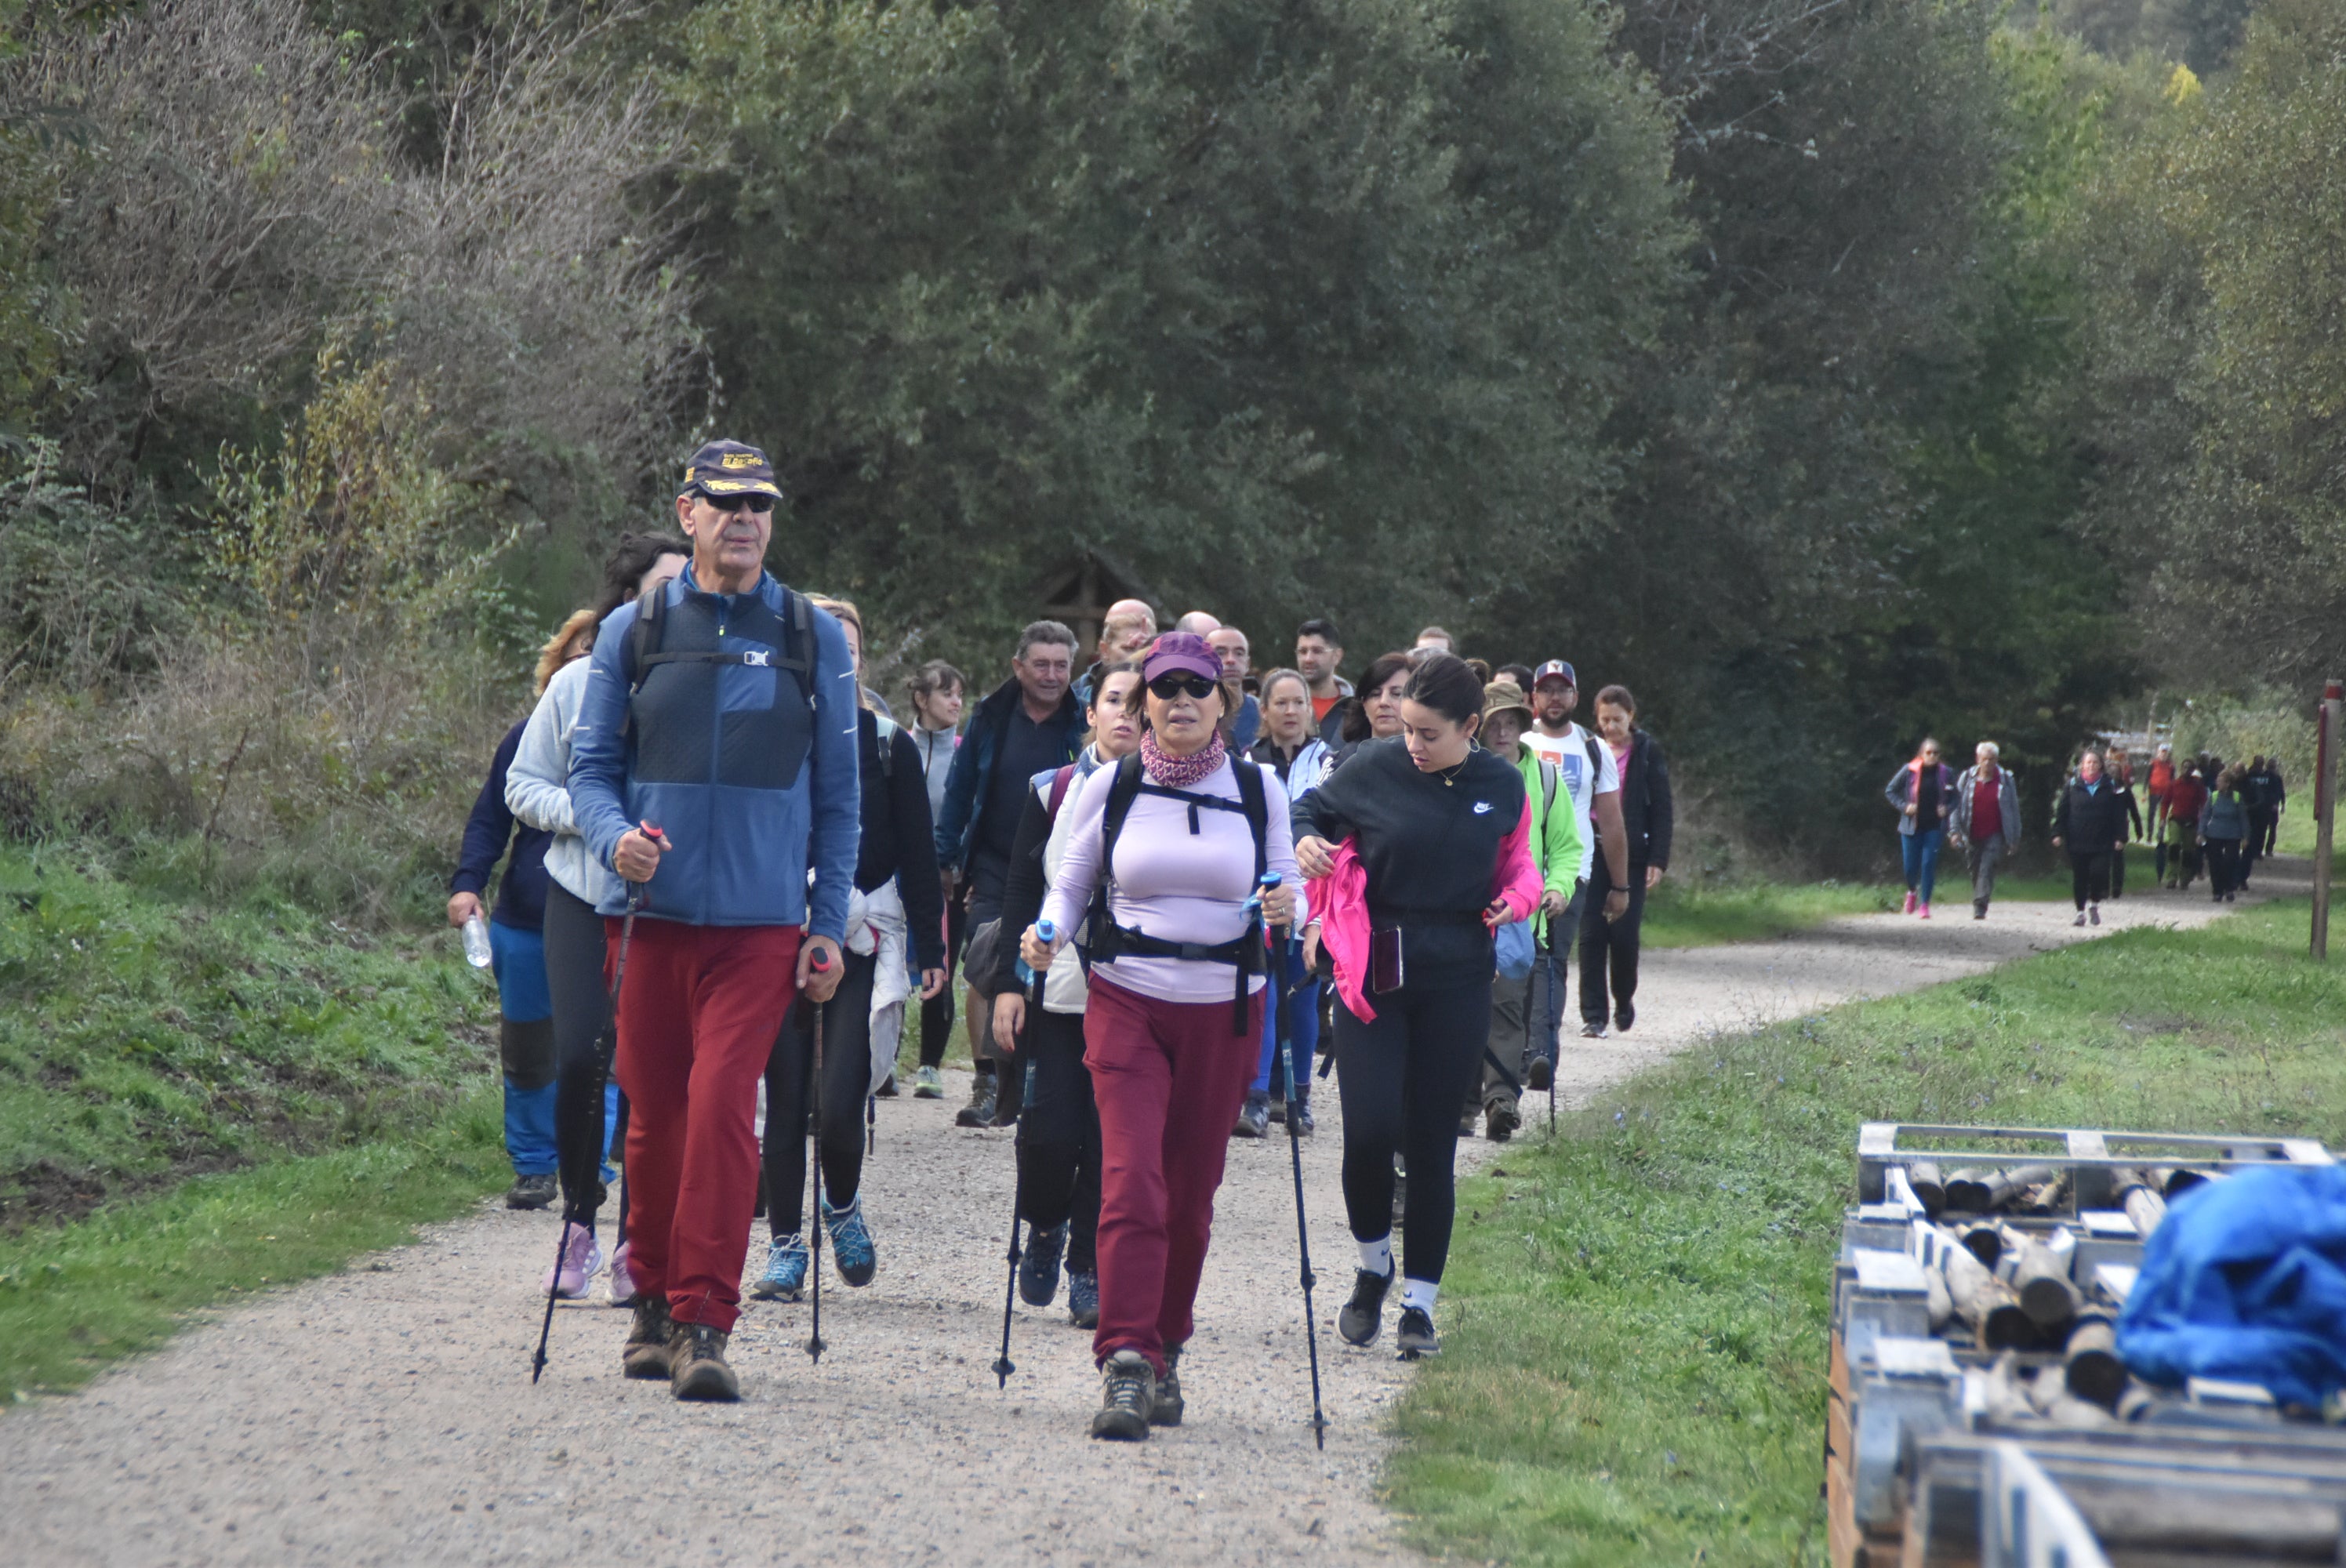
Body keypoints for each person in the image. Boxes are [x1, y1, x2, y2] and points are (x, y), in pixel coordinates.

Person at [568, 439, 859, 1403]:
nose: (744, 518)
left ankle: (704, 1320)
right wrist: (614, 839)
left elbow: (840, 799)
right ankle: (648, 1299)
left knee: (726, 1109)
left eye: (759, 504)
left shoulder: (813, 636)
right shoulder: (635, 628)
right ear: (686, 510)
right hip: (648, 915)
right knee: (655, 1119)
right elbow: (591, 769)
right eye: (724, 502)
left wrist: (825, 923)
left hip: (761, 924)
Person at [1022, 633, 1299, 1441]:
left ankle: (1168, 1343)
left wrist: (1289, 909)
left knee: (1189, 1192)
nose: (1180, 699)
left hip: (1226, 1007)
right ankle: (1127, 1359)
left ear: (1224, 702)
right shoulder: (1112, 783)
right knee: (1130, 1178)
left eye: (1197, 687)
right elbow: (1071, 881)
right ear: (1143, 698)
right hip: (1127, 999)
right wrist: (1047, 930)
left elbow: (1286, 883)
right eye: (1164, 686)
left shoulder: (1260, 788)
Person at [1292, 652, 1542, 1361]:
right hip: (1375, 965)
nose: (1414, 745)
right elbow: (1309, 808)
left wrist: (1520, 897)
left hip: (1459, 970)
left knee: (1432, 1142)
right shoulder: (1372, 765)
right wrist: (1308, 841)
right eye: (1406, 728)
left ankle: (1421, 1307)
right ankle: (1373, 1268)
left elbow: (1519, 861)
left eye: (1430, 734)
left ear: (1471, 727)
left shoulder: (1501, 784)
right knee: (1370, 1130)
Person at [506, 531, 692, 1301]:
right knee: (583, 1057)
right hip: (581, 896)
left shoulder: (704, 688)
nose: (682, 598)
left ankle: (637, 1243)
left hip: (674, 907)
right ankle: (580, 1218)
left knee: (651, 1075)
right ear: (626, 597)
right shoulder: (577, 684)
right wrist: (597, 820)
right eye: (665, 584)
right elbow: (523, 786)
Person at [754, 599, 948, 1302]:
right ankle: (782, 1246)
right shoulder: (769, 734)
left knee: (838, 1104)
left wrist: (931, 944)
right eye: (824, 644)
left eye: (852, 646)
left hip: (860, 937)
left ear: (862, 659)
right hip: (775, 931)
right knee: (783, 1099)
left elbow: (919, 855)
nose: (840, 656)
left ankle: (839, 1205)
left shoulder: (888, 743)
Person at [986, 661, 1146, 1330]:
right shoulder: (1052, 790)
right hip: (1056, 991)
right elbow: (1021, 890)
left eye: (1139, 707)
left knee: (1109, 1141)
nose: (1127, 716)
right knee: (1048, 1135)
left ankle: (1088, 1265)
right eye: (1114, 701)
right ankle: (1044, 1225)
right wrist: (1005, 985)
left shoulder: (1168, 798)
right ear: (1090, 712)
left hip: (1135, 993)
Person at [934, 621, 1088, 1128]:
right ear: (1018, 667)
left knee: (1049, 968)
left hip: (1066, 865)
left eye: (1061, 665)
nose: (1051, 675)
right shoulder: (991, 716)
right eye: (1040, 664)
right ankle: (986, 1079)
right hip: (996, 864)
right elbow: (961, 790)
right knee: (986, 956)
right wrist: (947, 857)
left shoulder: (1079, 720)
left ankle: (1036, 1076)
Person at [452, 720, 560, 1214]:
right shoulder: (526, 738)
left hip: (611, 920)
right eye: (576, 651)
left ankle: (591, 1165)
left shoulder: (637, 732)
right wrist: (468, 884)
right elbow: (489, 821)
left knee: (605, 1048)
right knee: (528, 1047)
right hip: (526, 920)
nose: (585, 662)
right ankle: (535, 1165)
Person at [1470, 679, 1579, 1142]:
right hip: (1462, 917)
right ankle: (1462, 1102)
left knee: (1509, 1010)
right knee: (1464, 1012)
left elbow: (1566, 848)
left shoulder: (1547, 780)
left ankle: (1502, 1100)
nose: (1504, 731)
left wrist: (1558, 889)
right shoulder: (1463, 773)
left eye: (1512, 722)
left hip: (1519, 919)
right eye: (1496, 722)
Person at [1237, 669, 1336, 1138]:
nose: (1292, 711)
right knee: (1263, 994)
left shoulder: (1328, 762)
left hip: (1313, 892)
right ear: (1265, 711)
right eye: (1281, 703)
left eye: (1299, 702)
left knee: (1302, 995)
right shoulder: (1246, 763)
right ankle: (1256, 1095)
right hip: (1261, 891)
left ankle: (1296, 1096)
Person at [1520, 660, 1628, 1076]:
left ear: (1576, 698)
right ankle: (1516, 1048)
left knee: (1551, 958)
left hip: (1572, 872)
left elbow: (1612, 821)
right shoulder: (1519, 743)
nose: (1554, 698)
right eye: (1546, 690)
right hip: (1518, 869)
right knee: (1518, 960)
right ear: (1533, 697)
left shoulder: (1592, 749)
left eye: (1562, 690)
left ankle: (1541, 1052)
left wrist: (1620, 886)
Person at [1580, 685, 1670, 1039]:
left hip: (1632, 852)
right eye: (1604, 721)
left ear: (1631, 717)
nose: (1611, 727)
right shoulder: (1588, 749)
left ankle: (1623, 998)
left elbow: (1662, 808)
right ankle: (1593, 1015)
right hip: (1590, 848)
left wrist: (1658, 859)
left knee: (1624, 934)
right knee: (1590, 934)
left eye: (1617, 720)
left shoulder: (1647, 752)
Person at [904, 659, 966, 1099]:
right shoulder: (898, 745)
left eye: (960, 694)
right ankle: (883, 1061)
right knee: (890, 963)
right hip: (898, 875)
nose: (956, 702)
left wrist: (956, 864)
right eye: (946, 693)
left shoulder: (965, 752)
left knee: (939, 964)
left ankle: (929, 1065)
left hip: (950, 878)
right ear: (921, 699)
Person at [2051, 747, 2129, 927]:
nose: (2091, 766)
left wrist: (2121, 837)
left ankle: (2094, 903)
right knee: (2080, 877)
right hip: (2078, 839)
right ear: (2082, 765)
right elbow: (2062, 811)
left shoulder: (2111, 786)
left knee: (2099, 873)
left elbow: (2119, 814)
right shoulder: (2072, 785)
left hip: (2102, 840)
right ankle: (2080, 912)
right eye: (2088, 763)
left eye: (2095, 762)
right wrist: (2057, 832)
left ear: (2101, 765)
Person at [1950, 741, 2021, 920]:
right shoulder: (1967, 778)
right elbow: (1955, 805)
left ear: (1997, 760)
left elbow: (2013, 809)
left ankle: (1980, 906)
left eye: (1992, 759)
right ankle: (1980, 896)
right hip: (1971, 832)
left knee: (1987, 867)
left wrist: (2014, 837)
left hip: (1995, 833)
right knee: (1975, 869)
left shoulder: (2005, 779)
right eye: (1984, 759)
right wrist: (1954, 831)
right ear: (1978, 759)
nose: (1988, 763)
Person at [1885, 739, 1954, 918]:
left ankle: (1925, 904)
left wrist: (1947, 808)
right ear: (1921, 754)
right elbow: (1890, 790)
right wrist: (1904, 806)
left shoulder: (1946, 773)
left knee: (1928, 864)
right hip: (1911, 827)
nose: (1932, 756)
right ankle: (1911, 891)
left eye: (1936, 753)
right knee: (1910, 867)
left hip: (1934, 827)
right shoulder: (1909, 770)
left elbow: (1956, 797)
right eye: (1929, 752)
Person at [1076, 601, 1158, 706]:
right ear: (1105, 650)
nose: (1139, 657)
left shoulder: (1166, 690)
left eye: (1144, 650)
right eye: (1129, 649)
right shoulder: (1078, 695)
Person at [1295, 618, 1353, 742]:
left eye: (1317, 651)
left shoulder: (1356, 707)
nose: (1308, 659)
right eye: (1303, 652)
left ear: (1337, 656)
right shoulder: (1283, 705)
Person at [1206, 624, 1262, 751]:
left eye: (1239, 653)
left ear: (1248, 664)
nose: (1231, 660)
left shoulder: (1263, 713)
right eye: (1220, 653)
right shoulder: (1193, 713)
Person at [2201, 767, 2250, 904]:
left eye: (2220, 781)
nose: (2218, 784)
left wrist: (2245, 836)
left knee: (2230, 862)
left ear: (2228, 783)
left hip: (2233, 835)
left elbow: (2243, 818)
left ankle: (2229, 888)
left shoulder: (2236, 798)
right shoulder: (2214, 797)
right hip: (2214, 833)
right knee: (2214, 863)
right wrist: (2201, 832)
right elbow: (2205, 816)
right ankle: (2217, 891)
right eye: (2217, 781)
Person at [2163, 763, 2208, 890]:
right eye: (2184, 767)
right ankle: (2172, 877)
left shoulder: (2198, 786)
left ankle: (2185, 878)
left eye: (2190, 768)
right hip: (2176, 820)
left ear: (2193, 771)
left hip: (2191, 821)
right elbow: (2166, 802)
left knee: (2189, 851)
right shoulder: (2174, 784)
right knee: (2174, 846)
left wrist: (2203, 822)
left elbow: (2204, 804)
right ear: (2181, 769)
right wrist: (2162, 819)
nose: (2187, 770)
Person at [2243, 753, 2285, 883]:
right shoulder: (2248, 776)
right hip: (2250, 808)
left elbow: (2276, 790)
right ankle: (2250, 849)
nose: (2259, 764)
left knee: (2262, 830)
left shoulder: (2269, 776)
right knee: (2250, 830)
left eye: (2261, 762)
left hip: (2264, 808)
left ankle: (2258, 851)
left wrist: (2276, 803)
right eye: (2258, 762)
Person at [2146, 742, 2177, 883]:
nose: (2163, 754)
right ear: (2158, 753)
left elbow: (2172, 779)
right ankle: (2149, 834)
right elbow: (2147, 777)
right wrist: (2145, 790)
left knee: (2163, 814)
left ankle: (2160, 834)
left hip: (2165, 792)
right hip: (2154, 791)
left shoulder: (2171, 766)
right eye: (2161, 752)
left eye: (2165, 752)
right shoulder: (2153, 763)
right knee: (2151, 814)